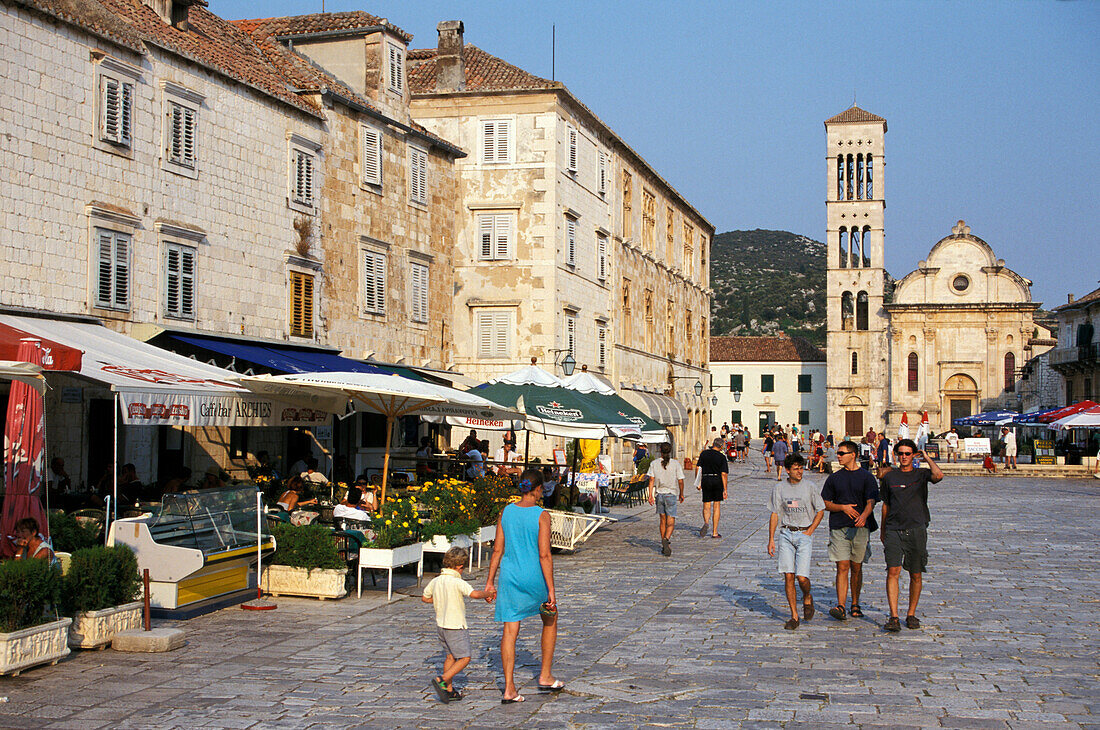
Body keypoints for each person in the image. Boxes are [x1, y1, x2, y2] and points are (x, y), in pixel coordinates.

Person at [484, 469, 561, 703]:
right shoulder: (541, 515)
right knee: (550, 618)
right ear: (538, 490)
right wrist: (551, 589)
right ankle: (545, 676)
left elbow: (497, 550)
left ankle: (509, 688)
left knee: (510, 631)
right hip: (534, 577)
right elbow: (545, 554)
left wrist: (489, 582)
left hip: (510, 577)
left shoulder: (506, 512)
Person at [880, 439, 943, 632]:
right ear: (896, 455)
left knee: (915, 573)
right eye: (901, 453)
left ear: (913, 455)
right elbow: (885, 505)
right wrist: (883, 530)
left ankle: (911, 614)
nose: (904, 457)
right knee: (893, 571)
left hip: (916, 528)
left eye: (908, 453)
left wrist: (926, 457)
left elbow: (938, 475)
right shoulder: (890, 477)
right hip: (894, 529)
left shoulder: (921, 474)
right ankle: (894, 616)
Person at [422, 546, 492, 703]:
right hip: (455, 626)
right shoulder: (457, 582)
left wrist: (441, 600)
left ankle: (449, 690)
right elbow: (474, 594)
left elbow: (425, 598)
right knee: (465, 657)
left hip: (441, 626)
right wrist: (488, 594)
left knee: (450, 656)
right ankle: (442, 679)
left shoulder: (436, 581)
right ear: (460, 566)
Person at [820, 440, 879, 622]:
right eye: (838, 453)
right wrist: (842, 508)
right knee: (842, 566)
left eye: (841, 453)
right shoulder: (834, 478)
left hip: (861, 528)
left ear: (852, 455)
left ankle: (855, 603)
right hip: (839, 527)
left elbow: (871, 501)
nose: (838, 456)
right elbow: (824, 503)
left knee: (857, 566)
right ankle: (841, 605)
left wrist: (864, 516)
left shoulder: (866, 477)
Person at [767, 453, 826, 630]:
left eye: (801, 468)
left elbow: (821, 510)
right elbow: (775, 513)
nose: (799, 471)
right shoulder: (779, 488)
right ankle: (794, 615)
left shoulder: (810, 487)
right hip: (786, 533)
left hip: (804, 534)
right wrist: (771, 539)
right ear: (787, 470)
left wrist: (810, 530)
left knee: (802, 577)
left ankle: (807, 596)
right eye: (796, 468)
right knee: (788, 575)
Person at [646, 443, 685, 557]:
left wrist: (650, 495)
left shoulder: (654, 464)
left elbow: (651, 480)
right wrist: (681, 493)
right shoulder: (675, 464)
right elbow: (681, 480)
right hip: (671, 494)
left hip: (660, 495)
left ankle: (664, 543)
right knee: (671, 521)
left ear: (660, 451)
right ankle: (666, 539)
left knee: (662, 520)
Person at [696, 437, 729, 539]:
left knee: (706, 504)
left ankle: (706, 522)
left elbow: (698, 468)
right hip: (716, 480)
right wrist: (725, 489)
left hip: (706, 479)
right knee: (716, 505)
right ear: (721, 446)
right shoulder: (722, 457)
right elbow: (724, 474)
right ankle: (714, 532)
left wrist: (698, 482)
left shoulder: (704, 454)